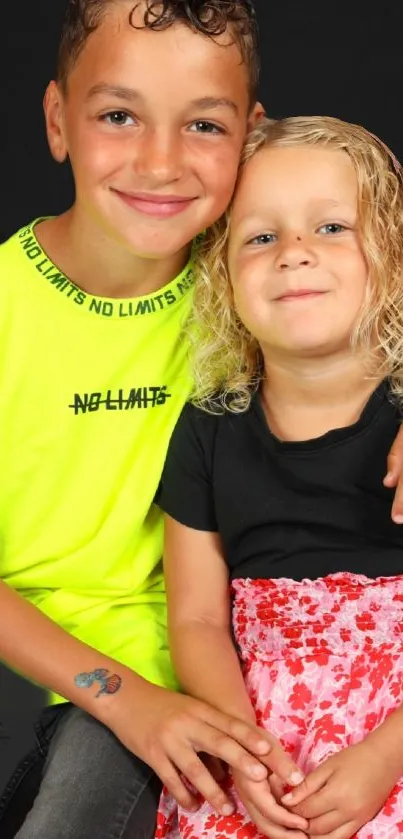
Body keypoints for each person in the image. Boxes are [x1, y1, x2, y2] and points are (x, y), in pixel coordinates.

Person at [0, 3, 310, 838]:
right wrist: (123, 698)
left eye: (202, 125)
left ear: (250, 135)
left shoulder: (260, 277)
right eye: (118, 115)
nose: (161, 161)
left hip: (247, 659)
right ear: (59, 121)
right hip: (71, 675)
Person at [155, 115, 403, 839]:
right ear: (220, 275)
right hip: (263, 736)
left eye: (330, 228)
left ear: (388, 256)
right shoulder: (208, 426)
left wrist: (386, 753)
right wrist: (245, 753)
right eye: (260, 237)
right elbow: (196, 618)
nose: (293, 254)